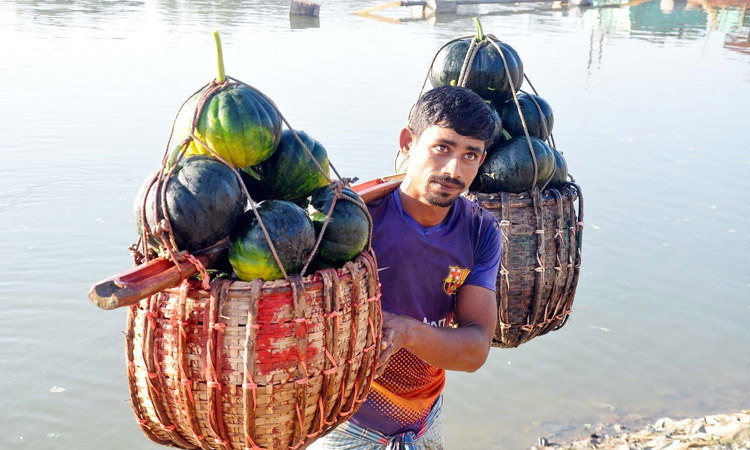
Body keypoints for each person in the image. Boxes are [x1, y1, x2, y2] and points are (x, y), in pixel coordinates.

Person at [311, 85, 502, 450]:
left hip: (425, 422)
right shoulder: (357, 222)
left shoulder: (480, 230)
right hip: (343, 424)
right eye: (442, 148)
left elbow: (475, 349)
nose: (453, 169)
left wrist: (406, 333)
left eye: (469, 155)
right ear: (407, 143)